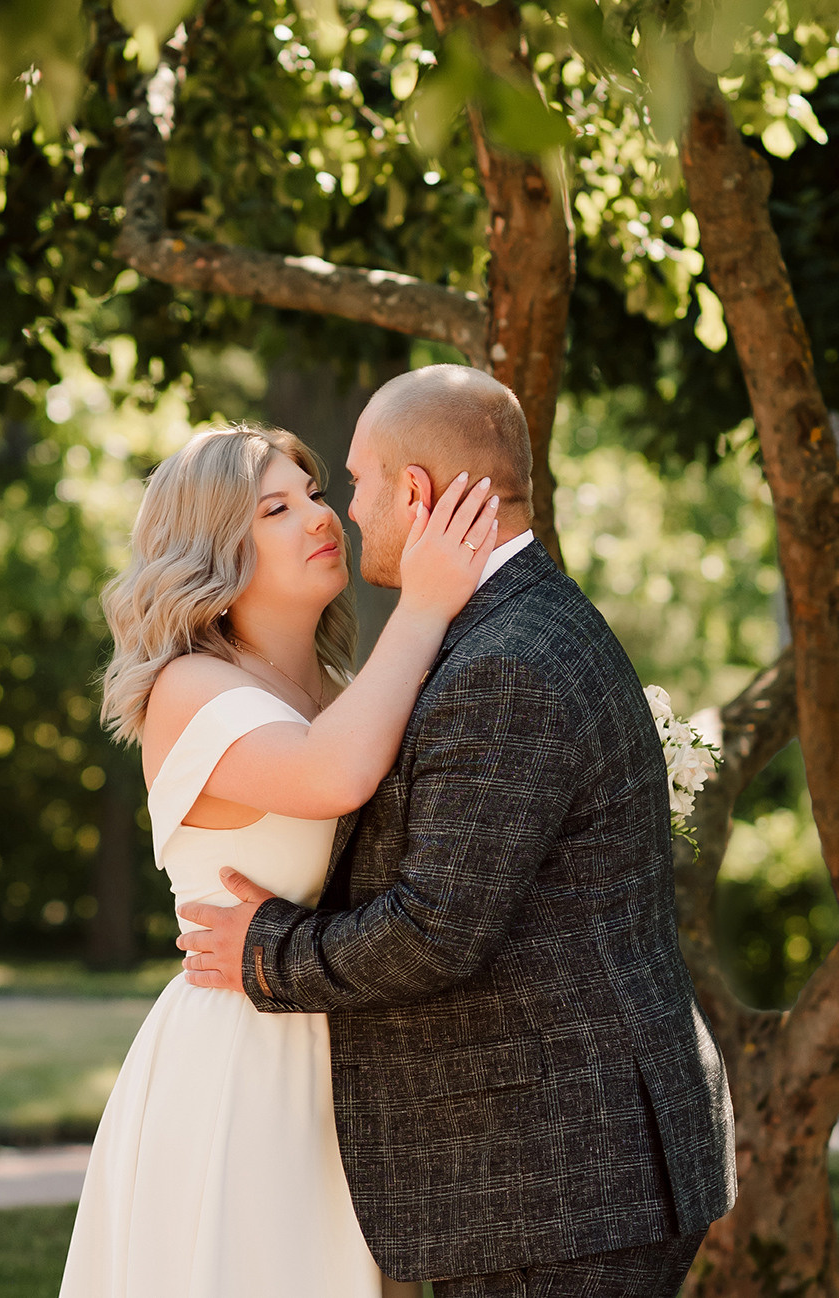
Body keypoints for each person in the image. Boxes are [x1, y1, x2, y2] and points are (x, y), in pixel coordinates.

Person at [175, 365, 738, 1297]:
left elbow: (436, 929)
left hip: (559, 1185)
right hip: (570, 1176)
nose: (347, 511)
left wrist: (265, 953)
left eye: (357, 482)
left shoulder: (501, 663)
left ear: (416, 492)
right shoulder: (519, 625)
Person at [59, 419, 501, 1298]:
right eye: (276, 508)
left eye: (316, 493)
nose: (320, 516)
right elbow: (332, 774)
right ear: (215, 549)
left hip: (359, 1045)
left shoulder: (346, 693)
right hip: (248, 1059)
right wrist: (424, 604)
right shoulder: (188, 688)